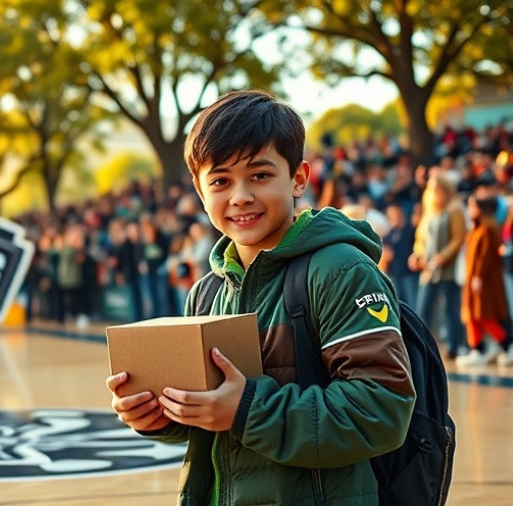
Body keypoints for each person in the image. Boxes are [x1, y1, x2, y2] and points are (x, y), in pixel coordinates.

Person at [106, 90, 415, 505]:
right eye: (220, 181)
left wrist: (248, 409)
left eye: (260, 175)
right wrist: (158, 413)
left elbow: (381, 411)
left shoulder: (339, 270)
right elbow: (211, 417)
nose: (240, 196)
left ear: (299, 179)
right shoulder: (207, 291)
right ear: (199, 191)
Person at [409, 173, 468, 359]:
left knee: (451, 310)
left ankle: (454, 347)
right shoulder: (430, 209)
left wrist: (444, 256)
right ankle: (419, 347)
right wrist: (417, 255)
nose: (435, 192)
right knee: (421, 310)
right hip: (428, 269)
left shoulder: (455, 208)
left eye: (438, 188)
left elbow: (459, 238)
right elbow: (420, 238)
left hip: (447, 269)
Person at [457, 196, 513, 366]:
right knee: (471, 316)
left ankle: (507, 344)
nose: (469, 210)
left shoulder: (488, 229)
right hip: (472, 279)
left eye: (472, 207)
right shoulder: (475, 229)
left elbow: (485, 257)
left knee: (484, 315)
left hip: (484, 282)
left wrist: (478, 277)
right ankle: (477, 348)